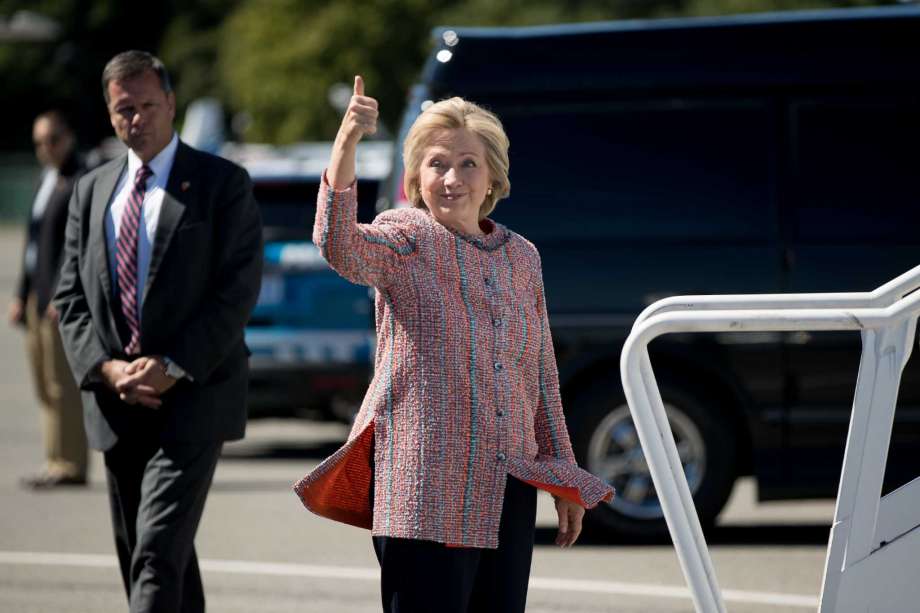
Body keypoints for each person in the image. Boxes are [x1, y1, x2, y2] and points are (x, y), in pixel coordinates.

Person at [294, 76, 614, 613]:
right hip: (423, 489)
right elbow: (339, 244)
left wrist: (563, 475)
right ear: (416, 175)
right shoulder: (405, 236)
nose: (451, 178)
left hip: (507, 485)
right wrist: (347, 139)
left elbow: (539, 375)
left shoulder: (522, 256)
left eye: (468, 163)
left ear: (492, 176)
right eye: (437, 163)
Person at [53, 50, 262, 613]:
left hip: (195, 396)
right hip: (119, 403)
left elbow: (235, 293)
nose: (138, 119)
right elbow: (69, 297)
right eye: (125, 109)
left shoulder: (222, 184)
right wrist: (105, 368)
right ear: (109, 112)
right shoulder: (92, 190)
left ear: (171, 104)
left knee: (156, 553)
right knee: (146, 557)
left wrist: (172, 366)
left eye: (149, 105)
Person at [9, 111, 89, 489]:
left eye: (53, 139)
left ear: (69, 137)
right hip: (35, 298)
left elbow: (77, 247)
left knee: (62, 384)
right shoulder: (47, 179)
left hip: (60, 301)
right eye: (40, 142)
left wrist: (64, 292)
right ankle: (53, 457)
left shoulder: (79, 181)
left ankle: (70, 463)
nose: (46, 148)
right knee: (43, 382)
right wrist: (20, 294)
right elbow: (34, 245)